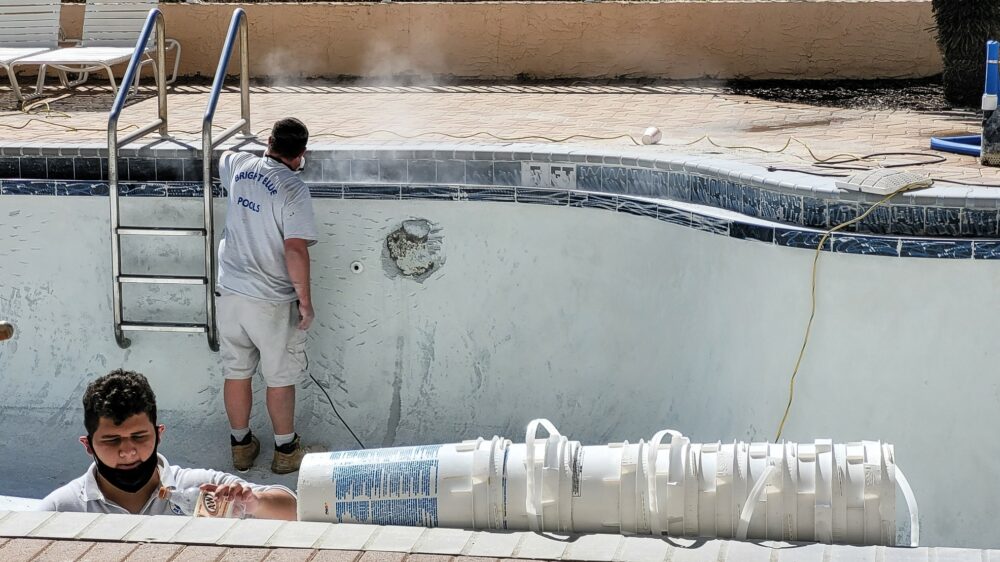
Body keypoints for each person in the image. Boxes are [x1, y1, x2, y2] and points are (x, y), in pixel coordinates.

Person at [37, 370, 297, 519]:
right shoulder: (61, 509)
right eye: (111, 440)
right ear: (88, 445)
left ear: (159, 434)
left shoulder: (200, 487)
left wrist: (255, 503)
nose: (127, 451)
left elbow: (294, 508)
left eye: (139, 437)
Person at [216, 117, 318, 474]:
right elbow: (295, 251)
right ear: (301, 155)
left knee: (237, 371)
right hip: (271, 301)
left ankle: (241, 447)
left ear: (269, 142)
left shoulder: (240, 166)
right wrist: (304, 303)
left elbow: (225, 153)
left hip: (230, 293)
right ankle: (285, 450)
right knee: (279, 377)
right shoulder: (293, 189)